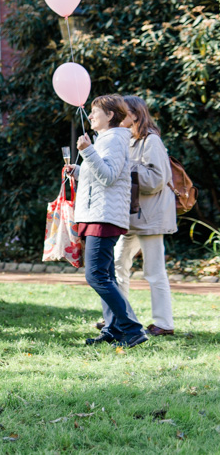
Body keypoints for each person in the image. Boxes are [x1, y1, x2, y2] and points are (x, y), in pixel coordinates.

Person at [71, 94, 147, 348]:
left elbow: (109, 177)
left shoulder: (114, 139)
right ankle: (113, 329)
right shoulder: (106, 139)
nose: (90, 116)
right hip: (98, 214)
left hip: (104, 216)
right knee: (106, 276)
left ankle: (133, 329)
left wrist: (87, 151)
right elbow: (99, 176)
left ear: (110, 116)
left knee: (95, 276)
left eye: (95, 112)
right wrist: (79, 170)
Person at [99, 95, 175, 336]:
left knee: (154, 271)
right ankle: (118, 319)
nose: (119, 115)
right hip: (128, 217)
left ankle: (164, 324)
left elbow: (156, 180)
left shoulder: (151, 141)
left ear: (135, 114)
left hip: (150, 218)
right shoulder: (124, 139)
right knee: (118, 265)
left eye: (124, 111)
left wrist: (126, 168)